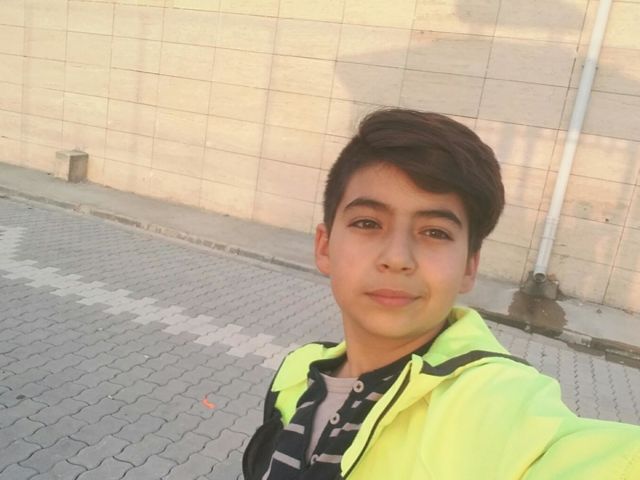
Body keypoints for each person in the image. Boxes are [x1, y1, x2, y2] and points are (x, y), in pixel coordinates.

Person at [242, 108, 640, 479]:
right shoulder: (297, 372)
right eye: (367, 223)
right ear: (325, 246)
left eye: (435, 232)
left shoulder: (496, 407)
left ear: (469, 266)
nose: (397, 258)